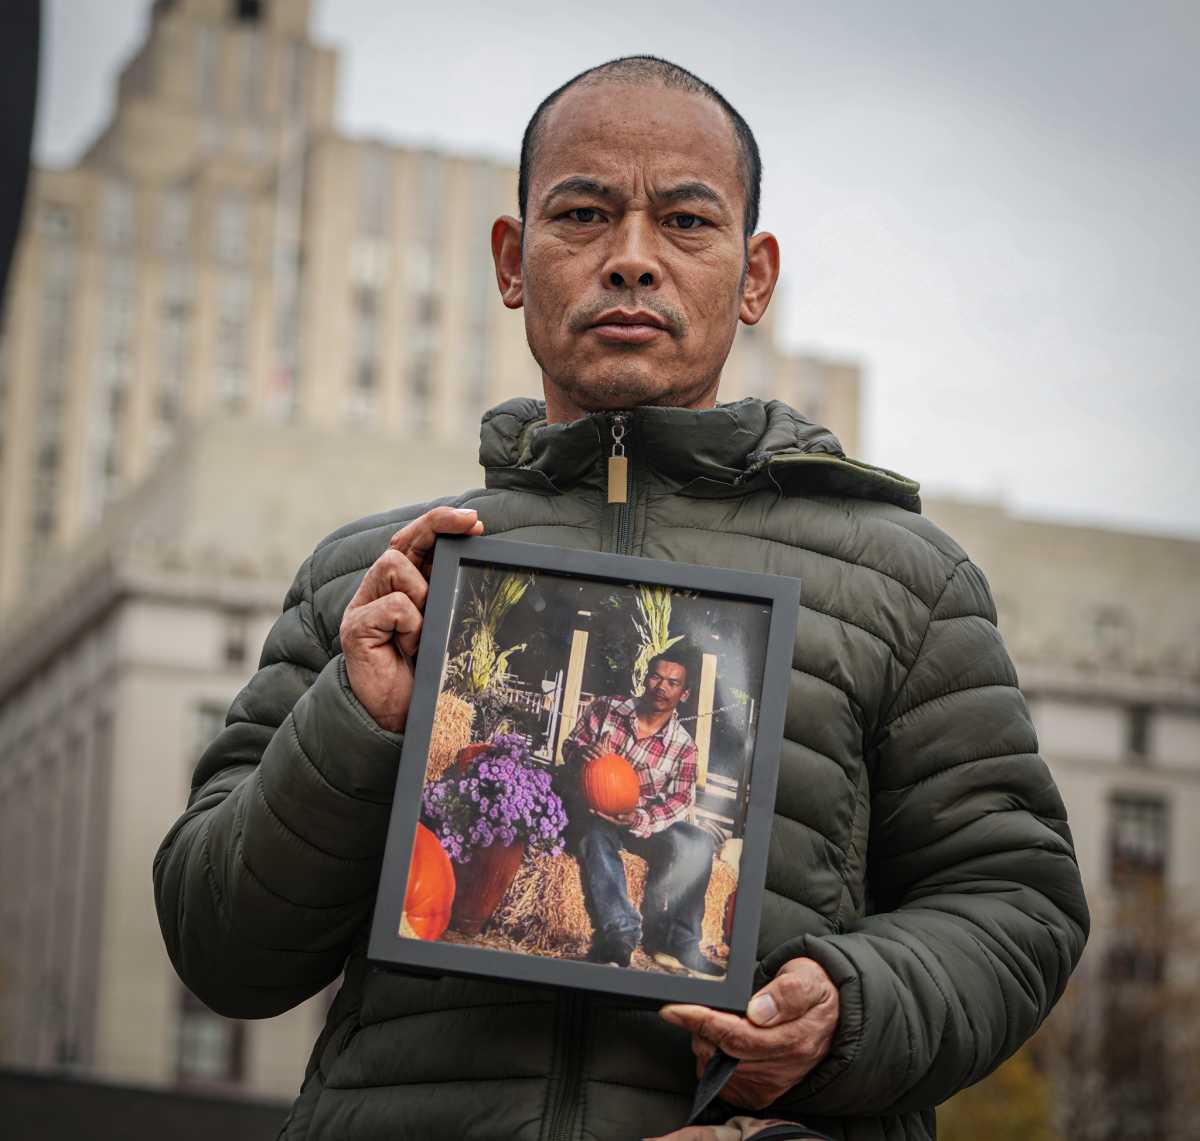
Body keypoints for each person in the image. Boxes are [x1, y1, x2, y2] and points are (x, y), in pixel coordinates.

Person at [154, 54, 1090, 1141]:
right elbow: (221, 946)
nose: (632, 258)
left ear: (754, 276)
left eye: (686, 222)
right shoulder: (377, 580)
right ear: (513, 261)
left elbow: (1018, 902)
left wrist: (848, 1006)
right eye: (584, 215)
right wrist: (357, 720)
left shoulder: (908, 584)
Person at [559, 645, 721, 976]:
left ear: (684, 694)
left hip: (643, 819)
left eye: (673, 683)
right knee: (594, 836)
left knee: (699, 842)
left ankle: (682, 943)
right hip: (597, 811)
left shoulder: (684, 746)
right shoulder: (607, 709)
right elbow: (571, 746)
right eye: (656, 678)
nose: (662, 687)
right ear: (645, 679)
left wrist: (639, 819)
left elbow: (680, 800)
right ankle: (620, 935)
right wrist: (582, 754)